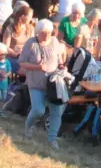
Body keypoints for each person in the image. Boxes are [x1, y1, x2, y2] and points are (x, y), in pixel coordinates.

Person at [20, 18, 69, 149]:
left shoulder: (54, 41)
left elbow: (59, 58)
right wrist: (37, 67)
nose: (47, 35)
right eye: (43, 32)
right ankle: (29, 125)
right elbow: (22, 62)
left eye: (49, 32)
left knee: (57, 111)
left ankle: (52, 138)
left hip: (53, 83)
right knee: (38, 110)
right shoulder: (30, 43)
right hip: (36, 83)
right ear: (38, 32)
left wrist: (61, 66)